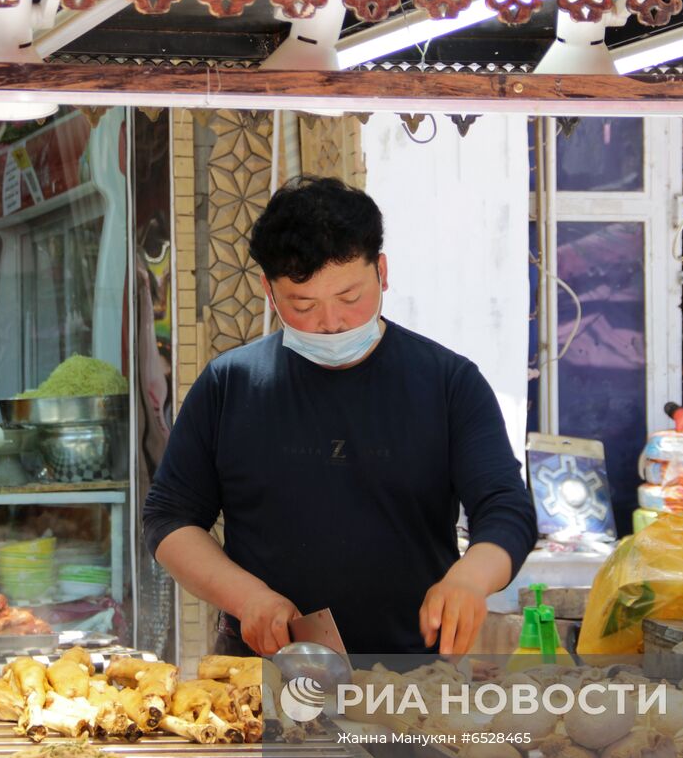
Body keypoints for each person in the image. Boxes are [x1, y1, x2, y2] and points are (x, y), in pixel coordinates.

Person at [142, 177, 536, 656]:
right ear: (269, 290)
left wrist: (471, 580)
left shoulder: (448, 382)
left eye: (350, 297)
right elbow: (169, 519)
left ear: (382, 271)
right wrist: (248, 599)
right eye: (303, 304)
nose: (331, 322)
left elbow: (506, 509)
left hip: (411, 680)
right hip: (265, 673)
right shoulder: (231, 384)